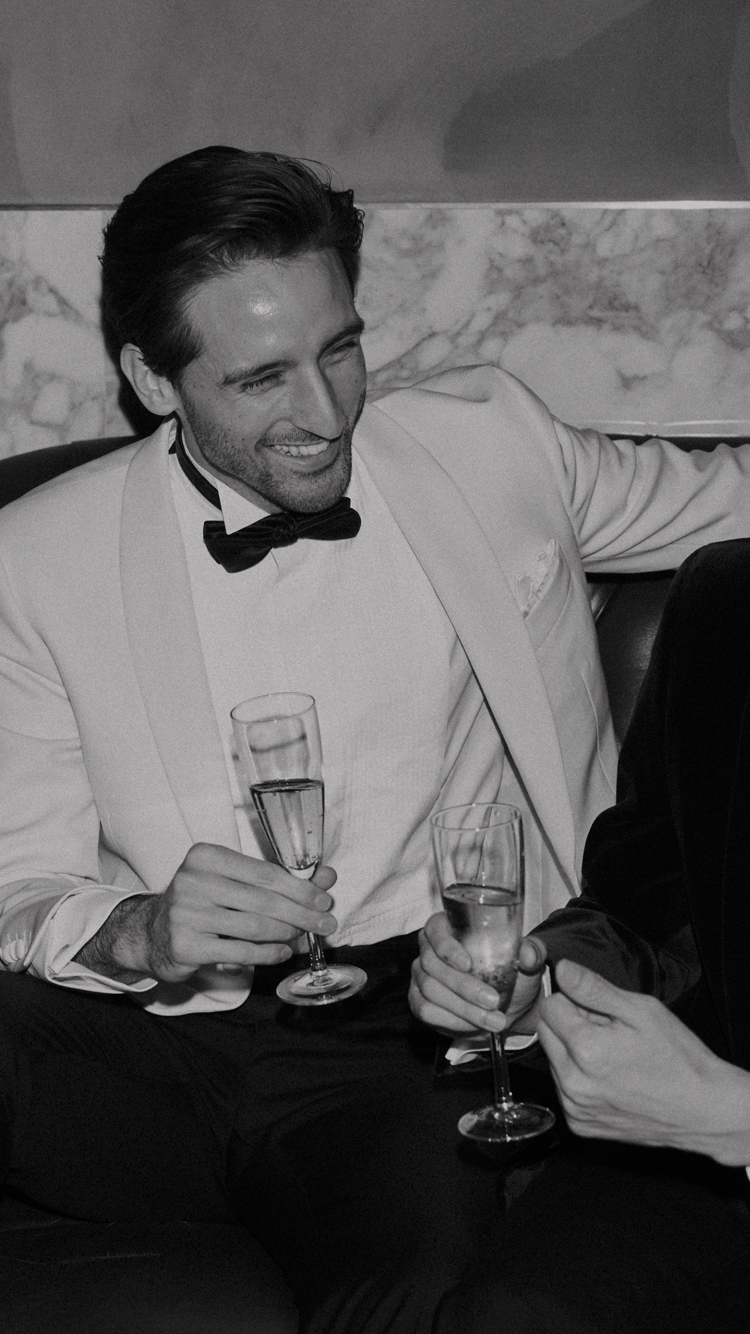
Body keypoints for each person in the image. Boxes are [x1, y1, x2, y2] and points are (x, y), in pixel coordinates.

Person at [2, 144, 750, 1333]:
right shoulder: (36, 557)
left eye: (341, 349)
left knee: (418, 1294)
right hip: (156, 1040)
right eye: (263, 378)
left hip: (415, 1029)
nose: (325, 411)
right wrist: (140, 929)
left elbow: (727, 502)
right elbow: (20, 885)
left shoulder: (488, 445)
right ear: (152, 378)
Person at [415, 540, 750, 1332]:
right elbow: (642, 911)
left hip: (720, 1115)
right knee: (509, 1315)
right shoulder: (726, 604)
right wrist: (539, 986)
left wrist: (731, 1115)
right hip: (699, 1158)